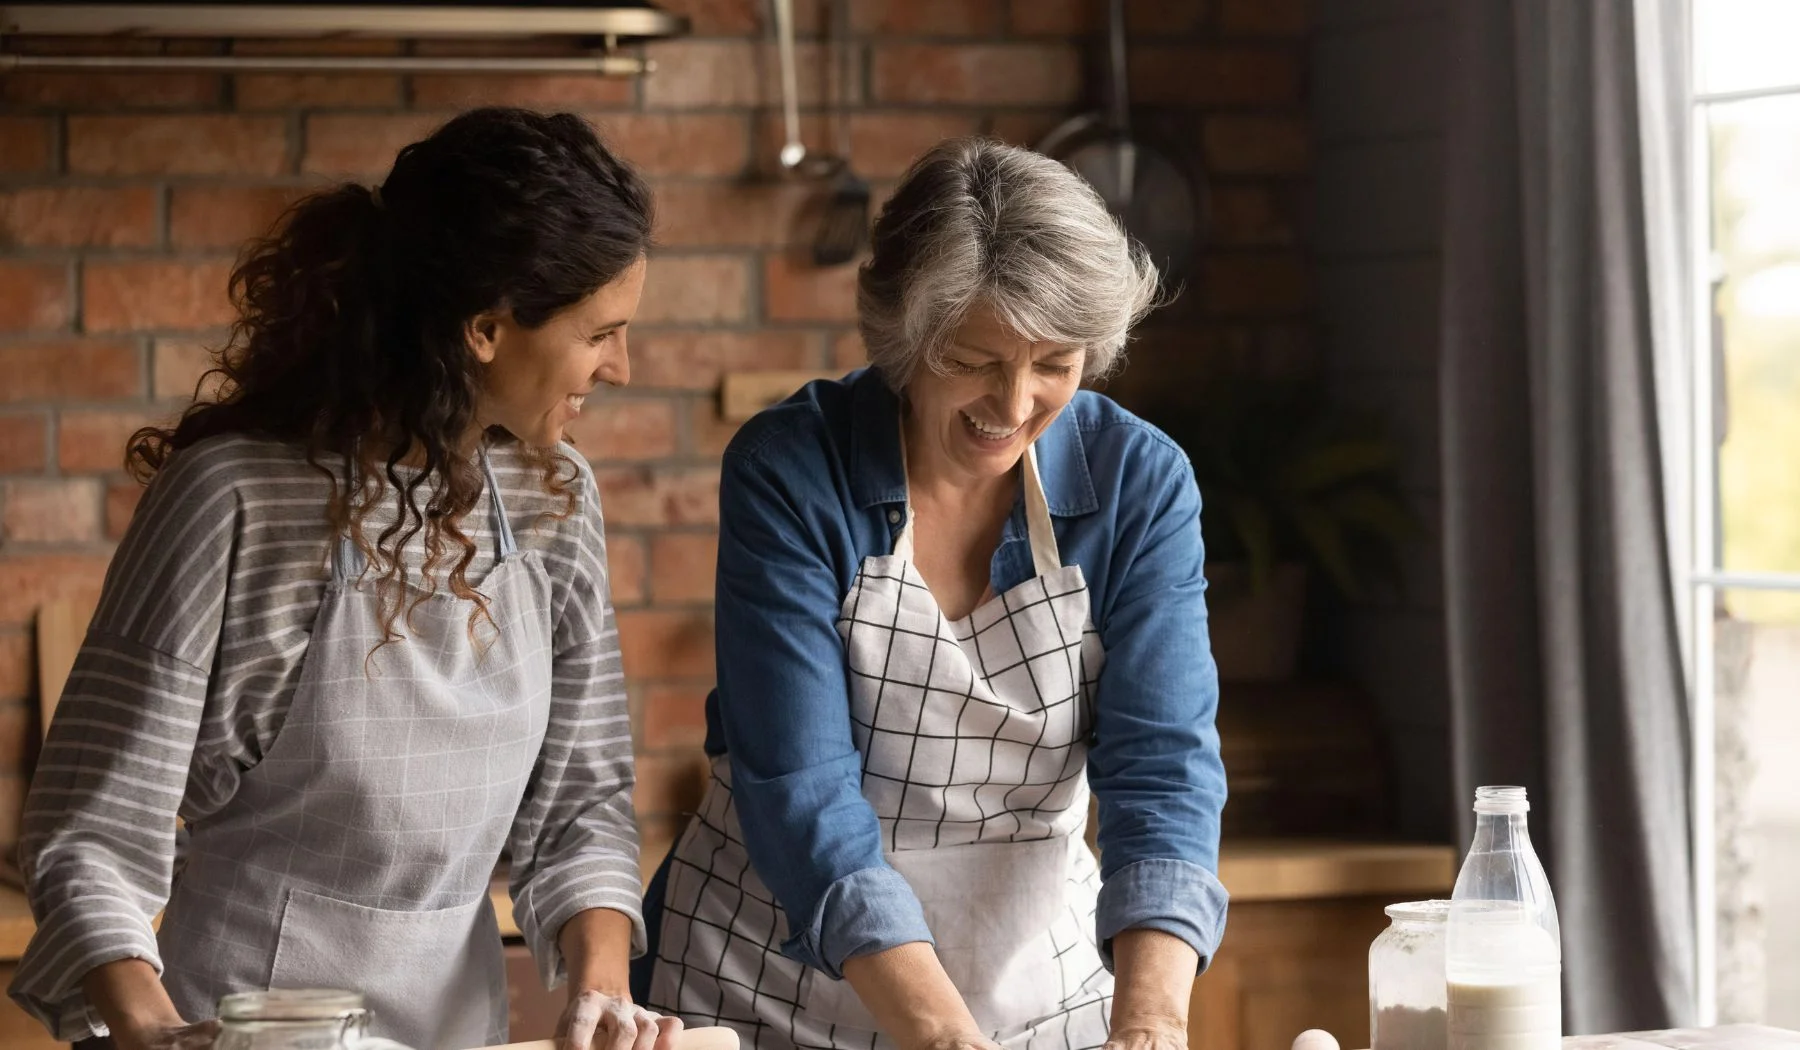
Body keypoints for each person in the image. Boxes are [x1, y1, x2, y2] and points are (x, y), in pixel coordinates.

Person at [10, 107, 680, 1050]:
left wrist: (603, 990)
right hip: (240, 1028)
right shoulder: (234, 501)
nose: (621, 367)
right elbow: (90, 834)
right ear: (487, 327)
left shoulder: (553, 499)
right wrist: (154, 1033)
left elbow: (581, 804)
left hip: (461, 1028)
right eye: (600, 333)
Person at [633, 137, 1229, 1050]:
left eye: (1055, 364)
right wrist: (943, 1036)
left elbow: (1162, 770)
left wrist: (1151, 1023)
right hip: (764, 986)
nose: (1014, 402)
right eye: (972, 358)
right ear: (906, 337)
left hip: (1037, 990)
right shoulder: (793, 470)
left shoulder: (1138, 483)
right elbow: (802, 789)